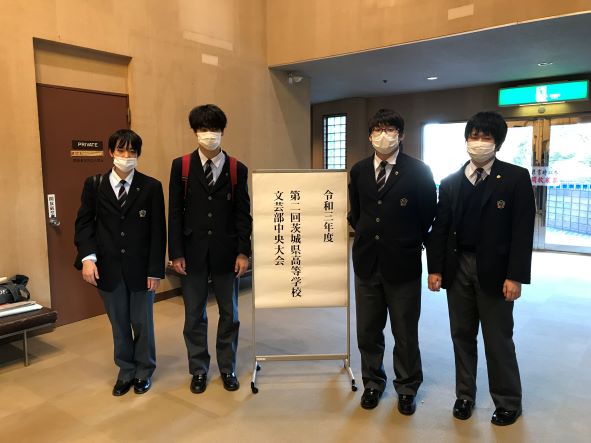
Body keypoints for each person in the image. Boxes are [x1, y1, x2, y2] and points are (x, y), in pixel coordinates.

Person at [427, 111, 535, 426]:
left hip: (497, 270)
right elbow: (440, 228)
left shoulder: (515, 177)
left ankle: (508, 401)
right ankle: (465, 395)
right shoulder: (451, 181)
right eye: (473, 136)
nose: (478, 142)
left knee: (498, 337)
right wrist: (435, 268)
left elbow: (522, 231)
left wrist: (515, 275)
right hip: (457, 266)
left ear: (497, 143)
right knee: (461, 334)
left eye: (486, 137)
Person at [348, 109, 437, 413]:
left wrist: (406, 238)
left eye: (389, 129)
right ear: (369, 135)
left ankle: (407, 387)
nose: (383, 135)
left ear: (402, 135)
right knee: (368, 331)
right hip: (366, 263)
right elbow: (357, 213)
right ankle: (373, 383)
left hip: (403, 263)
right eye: (377, 129)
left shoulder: (419, 171)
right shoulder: (359, 170)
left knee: (405, 331)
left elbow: (428, 215)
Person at [74, 129, 166, 396]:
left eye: (132, 151)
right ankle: (126, 369)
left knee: (142, 322)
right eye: (121, 150)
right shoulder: (94, 185)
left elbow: (158, 232)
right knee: (119, 323)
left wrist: (155, 271)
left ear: (138, 154)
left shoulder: (151, 187)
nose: (126, 156)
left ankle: (144, 370)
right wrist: (88, 258)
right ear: (111, 152)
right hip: (108, 268)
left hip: (141, 269)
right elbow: (84, 224)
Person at [168, 104, 252, 393]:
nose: (209, 134)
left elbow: (243, 214)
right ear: (195, 131)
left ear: (222, 131)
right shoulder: (181, 166)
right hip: (191, 253)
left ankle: (227, 367)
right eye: (203, 129)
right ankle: (199, 369)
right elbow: (175, 213)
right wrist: (175, 252)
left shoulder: (237, 169)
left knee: (230, 314)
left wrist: (243, 252)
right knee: (194, 315)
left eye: (214, 129)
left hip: (227, 254)